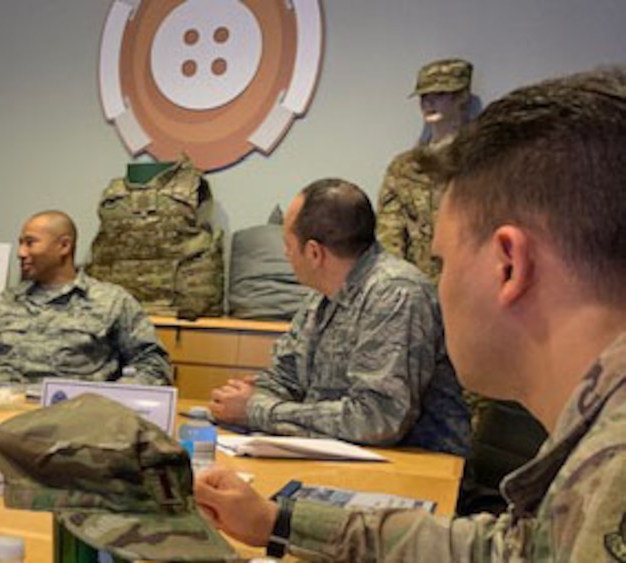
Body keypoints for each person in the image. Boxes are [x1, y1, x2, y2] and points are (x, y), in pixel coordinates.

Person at [195, 67, 626, 561]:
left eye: (440, 261)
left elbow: (376, 418)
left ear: (509, 265)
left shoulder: (615, 472)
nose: (432, 284)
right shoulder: (596, 451)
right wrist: (278, 521)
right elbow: (502, 551)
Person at [209, 179, 469, 456]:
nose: (286, 254)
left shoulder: (396, 293)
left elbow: (378, 420)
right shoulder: (320, 297)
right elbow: (288, 377)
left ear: (313, 253)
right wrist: (242, 397)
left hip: (419, 467)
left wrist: (256, 409)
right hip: (341, 457)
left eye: (288, 245)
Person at [0, 210, 171, 385]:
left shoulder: (111, 301)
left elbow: (152, 364)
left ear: (64, 246)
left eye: (30, 243)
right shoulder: (5, 301)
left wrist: (112, 401)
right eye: (20, 243)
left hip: (69, 422)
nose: (21, 252)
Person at [377, 58, 472, 283]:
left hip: (469, 284)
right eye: (424, 96)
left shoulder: (481, 161)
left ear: (461, 97)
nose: (429, 103)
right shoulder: (405, 168)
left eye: (440, 94)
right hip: (417, 287)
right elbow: (389, 236)